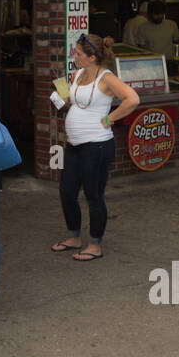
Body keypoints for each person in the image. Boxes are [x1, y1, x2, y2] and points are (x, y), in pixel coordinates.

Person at [50, 33, 140, 261]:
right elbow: (78, 102)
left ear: (91, 57)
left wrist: (110, 119)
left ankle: (95, 245)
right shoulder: (79, 74)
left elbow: (133, 99)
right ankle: (74, 237)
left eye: (78, 53)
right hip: (74, 146)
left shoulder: (107, 78)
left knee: (93, 195)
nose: (74, 56)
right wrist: (62, 98)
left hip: (97, 147)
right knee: (67, 192)